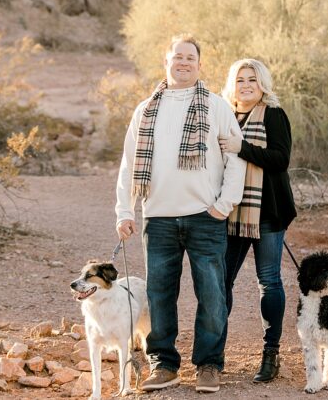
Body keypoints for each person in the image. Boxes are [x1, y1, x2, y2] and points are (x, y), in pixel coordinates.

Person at [115, 34, 246, 393]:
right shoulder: (145, 109)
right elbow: (129, 165)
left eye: (190, 58)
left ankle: (208, 365)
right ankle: (164, 364)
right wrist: (124, 210)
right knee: (159, 294)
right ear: (166, 62)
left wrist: (223, 204)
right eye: (177, 57)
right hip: (157, 218)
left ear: (199, 65)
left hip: (206, 217)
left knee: (212, 294)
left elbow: (236, 160)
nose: (183, 63)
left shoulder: (216, 106)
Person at [218, 58, 296, 383]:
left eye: (252, 79)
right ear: (232, 85)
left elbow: (281, 159)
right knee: (220, 283)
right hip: (231, 212)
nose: (246, 85)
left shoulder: (274, 115)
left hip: (267, 213)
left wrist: (242, 147)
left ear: (262, 83)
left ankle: (270, 354)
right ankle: (213, 354)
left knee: (269, 282)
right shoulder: (225, 116)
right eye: (240, 80)